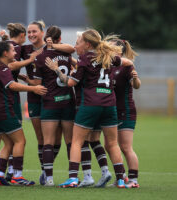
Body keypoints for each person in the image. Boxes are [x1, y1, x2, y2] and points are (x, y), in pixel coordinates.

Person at [46, 29, 132, 188]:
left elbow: (71, 83)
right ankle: (121, 179)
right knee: (112, 144)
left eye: (78, 42)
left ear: (87, 44)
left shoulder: (85, 59)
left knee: (77, 141)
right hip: (109, 105)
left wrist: (56, 70)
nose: (75, 45)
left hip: (90, 104)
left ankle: (72, 178)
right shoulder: (107, 56)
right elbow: (127, 62)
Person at [0, 41, 47, 186]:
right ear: (5, 53)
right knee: (20, 141)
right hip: (2, 110)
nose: (15, 53)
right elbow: (11, 85)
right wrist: (34, 88)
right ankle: (17, 176)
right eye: (13, 51)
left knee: (9, 143)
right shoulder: (3, 69)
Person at [31, 26, 75, 186]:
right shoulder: (67, 55)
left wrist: (28, 82)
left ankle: (48, 178)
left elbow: (37, 83)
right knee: (70, 141)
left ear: (47, 38)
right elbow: (72, 49)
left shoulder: (41, 57)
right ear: (60, 38)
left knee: (48, 141)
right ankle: (73, 176)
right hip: (68, 102)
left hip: (50, 103)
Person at [111, 38, 141, 188]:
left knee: (126, 146)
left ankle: (133, 180)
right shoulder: (108, 65)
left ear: (119, 50)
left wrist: (135, 79)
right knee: (111, 145)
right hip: (111, 110)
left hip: (126, 110)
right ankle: (121, 177)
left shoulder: (126, 65)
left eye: (110, 46)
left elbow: (137, 85)